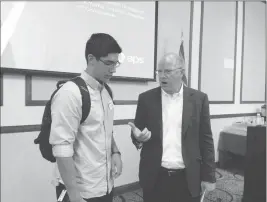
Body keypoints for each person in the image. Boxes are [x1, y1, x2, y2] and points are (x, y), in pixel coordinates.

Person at [128, 53, 216, 202]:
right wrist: (137, 138)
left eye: (167, 71)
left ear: (181, 72)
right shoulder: (146, 99)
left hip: (188, 177)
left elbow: (206, 139)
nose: (162, 76)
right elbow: (138, 132)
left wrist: (209, 176)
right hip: (155, 177)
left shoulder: (199, 99)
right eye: (159, 71)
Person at [49, 33, 123, 202]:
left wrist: (115, 151)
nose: (113, 69)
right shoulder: (70, 93)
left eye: (116, 63)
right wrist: (74, 195)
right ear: (91, 59)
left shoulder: (106, 92)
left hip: (104, 186)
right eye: (108, 63)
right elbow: (62, 148)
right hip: (80, 192)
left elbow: (105, 131)